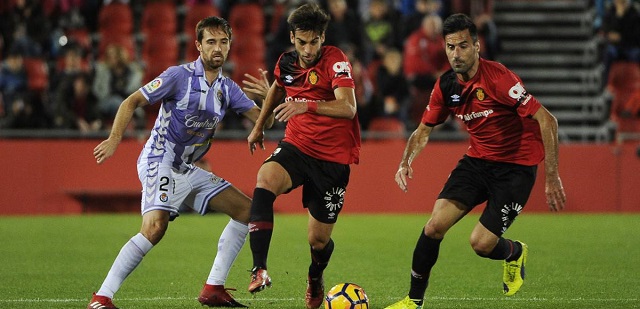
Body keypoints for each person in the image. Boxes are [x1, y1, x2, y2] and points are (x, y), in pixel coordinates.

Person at [87, 16, 274, 309]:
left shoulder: (228, 88)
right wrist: (114, 139)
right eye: (211, 42)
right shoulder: (179, 76)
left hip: (188, 168)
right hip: (158, 159)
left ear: (229, 45)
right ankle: (101, 298)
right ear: (198, 45)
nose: (217, 48)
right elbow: (130, 102)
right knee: (154, 227)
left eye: (223, 42)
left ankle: (214, 287)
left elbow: (265, 120)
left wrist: (270, 99)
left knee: (246, 211)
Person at [385, 13, 567, 309]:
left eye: (463, 46)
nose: (456, 54)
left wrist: (551, 175)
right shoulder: (445, 86)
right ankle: (413, 301)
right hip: (477, 161)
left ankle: (514, 252)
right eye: (450, 47)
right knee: (433, 227)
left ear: (477, 46)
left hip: (515, 167)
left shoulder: (499, 79)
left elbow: (548, 120)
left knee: (481, 244)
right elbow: (422, 131)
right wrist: (405, 161)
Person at [245, 3, 361, 309]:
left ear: (322, 37)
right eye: (301, 42)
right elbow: (277, 88)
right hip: (297, 145)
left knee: (318, 242)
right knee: (265, 178)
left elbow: (348, 108)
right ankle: (259, 269)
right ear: (293, 38)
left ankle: (314, 276)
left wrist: (306, 105)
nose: (307, 49)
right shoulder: (286, 62)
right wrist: (259, 126)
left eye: (313, 41)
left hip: (333, 160)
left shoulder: (336, 61)